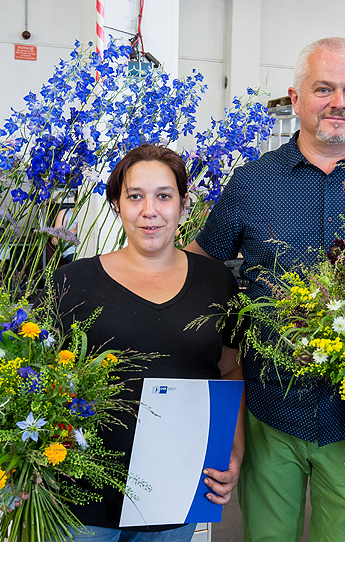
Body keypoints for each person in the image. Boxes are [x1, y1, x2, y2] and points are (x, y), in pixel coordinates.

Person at [186, 37, 345, 541]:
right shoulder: (252, 183)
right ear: (296, 99)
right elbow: (200, 263)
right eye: (324, 88)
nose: (339, 102)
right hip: (270, 411)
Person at [50, 144, 245, 542]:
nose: (149, 210)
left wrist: (234, 451)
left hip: (176, 491)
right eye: (135, 196)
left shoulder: (216, 282)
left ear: (183, 203)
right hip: (81, 496)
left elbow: (229, 369)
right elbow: (37, 376)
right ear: (117, 205)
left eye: (164, 196)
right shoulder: (73, 281)